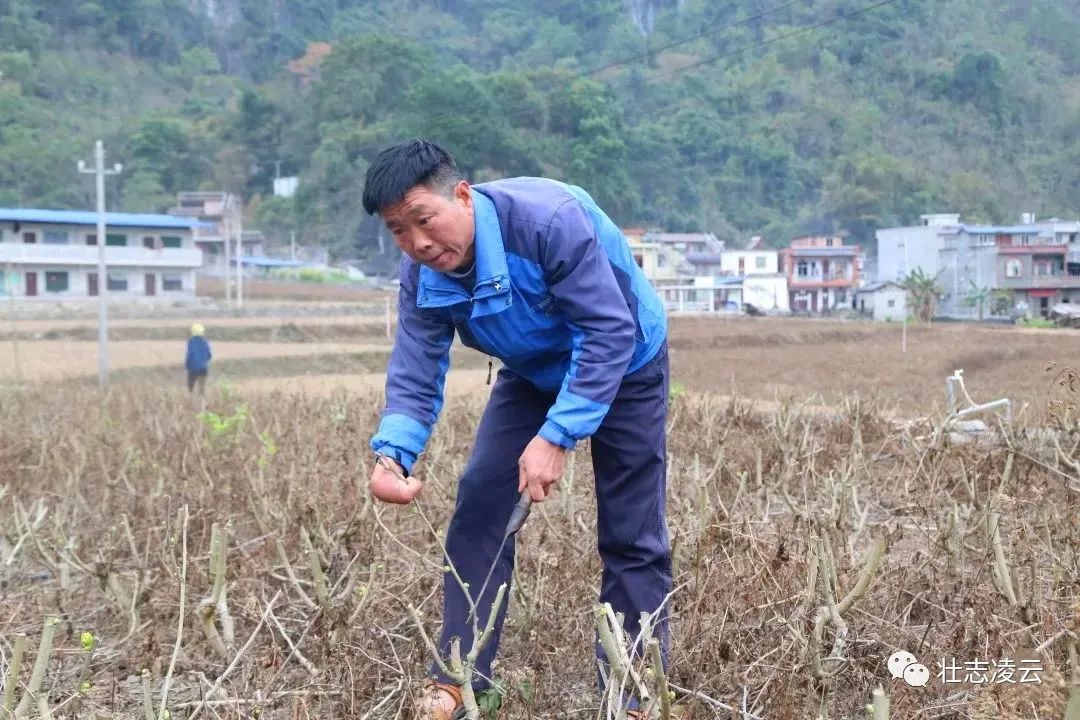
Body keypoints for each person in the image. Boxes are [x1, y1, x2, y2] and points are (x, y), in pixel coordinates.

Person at [363, 139, 673, 719]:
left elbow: (608, 332)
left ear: (461, 195)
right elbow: (415, 364)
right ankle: (459, 676)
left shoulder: (548, 223)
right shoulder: (422, 275)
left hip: (626, 358)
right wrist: (394, 454)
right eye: (398, 231)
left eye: (424, 220)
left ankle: (632, 694)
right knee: (482, 496)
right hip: (533, 369)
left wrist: (556, 437)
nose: (419, 243)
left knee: (630, 528)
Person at [185, 323, 212, 394]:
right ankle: (202, 403)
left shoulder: (191, 342)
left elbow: (190, 355)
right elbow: (209, 356)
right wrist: (203, 362)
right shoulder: (205, 342)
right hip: (203, 369)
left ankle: (191, 402)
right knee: (202, 389)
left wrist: (187, 365)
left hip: (193, 369)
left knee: (190, 388)